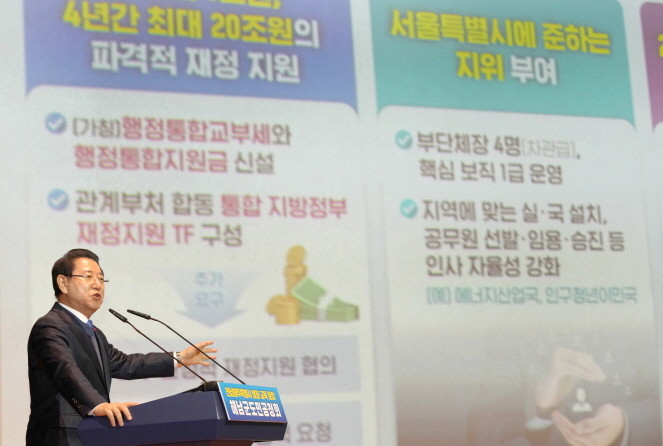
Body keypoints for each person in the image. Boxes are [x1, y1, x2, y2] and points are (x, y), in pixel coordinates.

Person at [26, 248, 218, 446]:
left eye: (101, 279)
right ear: (63, 283)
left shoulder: (94, 333)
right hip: (61, 436)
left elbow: (125, 364)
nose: (97, 284)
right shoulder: (50, 326)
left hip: (92, 434)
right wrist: (99, 405)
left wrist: (178, 358)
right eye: (88, 277)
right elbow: (66, 371)